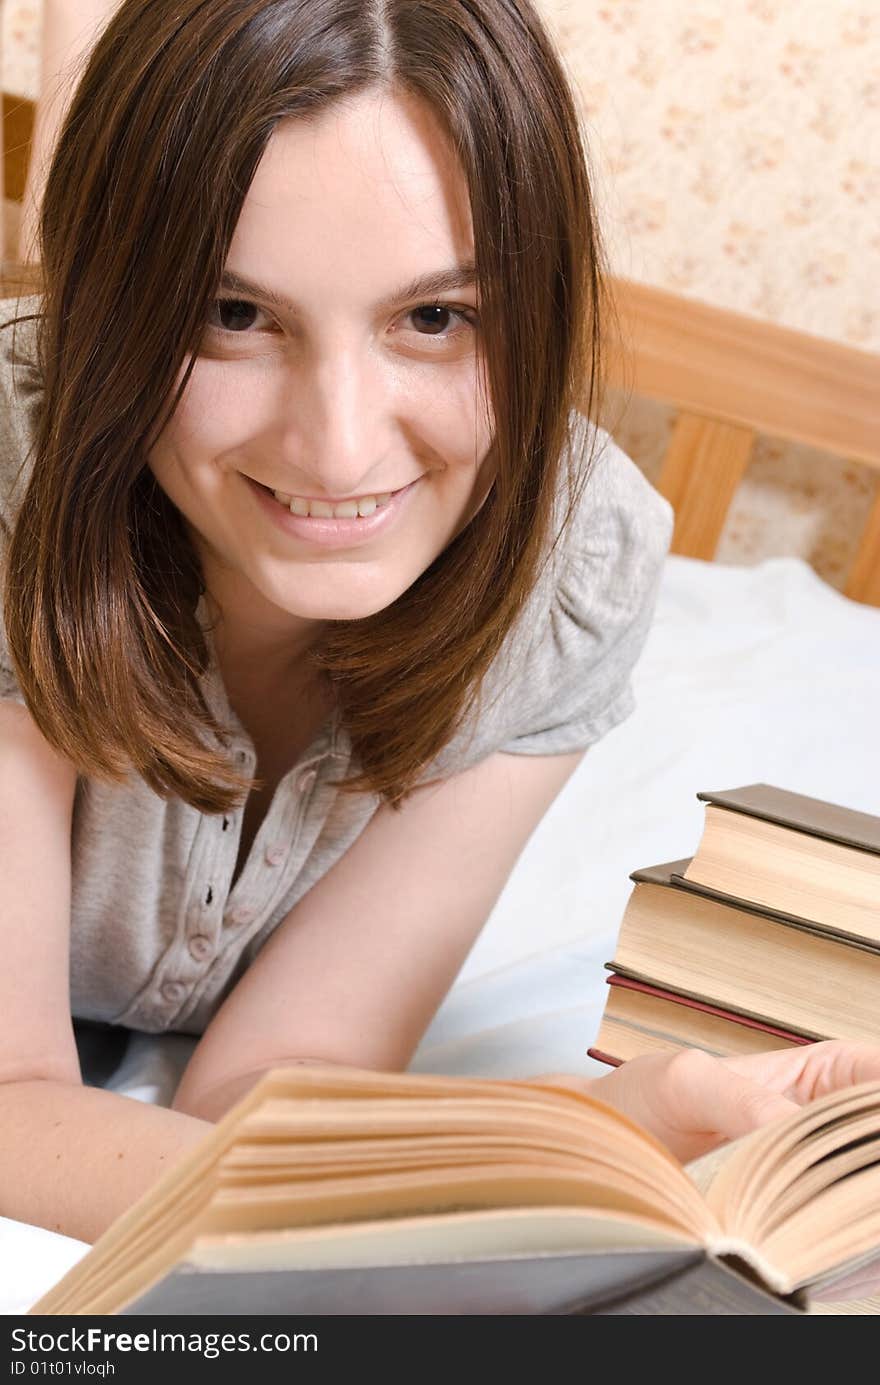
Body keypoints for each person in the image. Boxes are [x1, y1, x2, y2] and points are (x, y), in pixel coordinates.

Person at [2, 0, 880, 1258]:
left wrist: (604, 1127)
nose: (339, 446)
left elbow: (277, 1074)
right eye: (233, 314)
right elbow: (15, 1104)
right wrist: (508, 1178)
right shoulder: (12, 472)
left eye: (434, 320)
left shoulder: (574, 562)